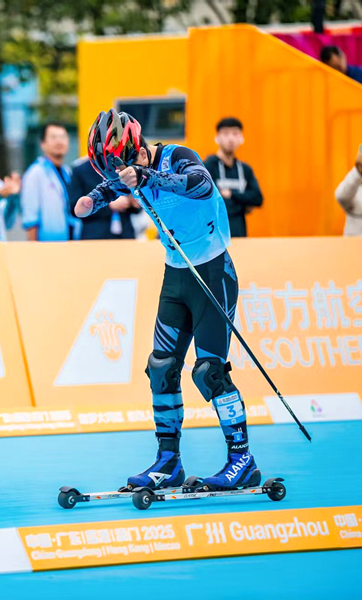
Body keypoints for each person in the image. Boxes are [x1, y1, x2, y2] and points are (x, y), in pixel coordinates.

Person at [74, 109, 255, 491]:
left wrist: (147, 176)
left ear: (138, 149)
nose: (121, 175)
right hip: (176, 276)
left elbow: (201, 185)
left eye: (124, 167)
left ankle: (242, 459)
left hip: (212, 272)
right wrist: (92, 199)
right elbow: (112, 187)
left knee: (209, 372)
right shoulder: (126, 173)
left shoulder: (178, 156)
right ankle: (169, 461)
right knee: (160, 367)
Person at [203, 118, 263, 238]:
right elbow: (208, 199)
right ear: (217, 138)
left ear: (241, 138)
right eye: (225, 134)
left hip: (239, 233)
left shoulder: (245, 169)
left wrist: (230, 194)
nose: (231, 139)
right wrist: (243, 202)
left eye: (235, 134)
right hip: (214, 236)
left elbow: (258, 198)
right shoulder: (207, 167)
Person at [21, 123, 73, 241]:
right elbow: (30, 218)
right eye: (53, 137)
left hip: (69, 242)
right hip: (47, 246)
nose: (59, 141)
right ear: (43, 144)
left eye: (63, 137)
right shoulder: (35, 173)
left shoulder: (67, 172)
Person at [69, 156, 140, 240]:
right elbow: (73, 208)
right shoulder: (80, 170)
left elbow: (138, 205)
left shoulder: (124, 165)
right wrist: (109, 206)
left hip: (126, 234)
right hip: (95, 236)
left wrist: (133, 201)